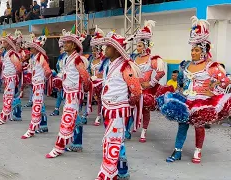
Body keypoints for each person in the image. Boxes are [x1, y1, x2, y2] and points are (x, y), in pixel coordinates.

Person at [157, 16, 231, 164]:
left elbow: (226, 82)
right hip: (186, 99)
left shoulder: (212, 66)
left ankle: (198, 152)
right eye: (192, 49)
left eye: (196, 50)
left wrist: (213, 88)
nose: (193, 53)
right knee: (182, 125)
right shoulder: (185, 65)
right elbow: (181, 83)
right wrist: (178, 91)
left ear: (203, 51)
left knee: (199, 126)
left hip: (202, 101)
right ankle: (177, 151)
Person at [91, 30, 142, 180]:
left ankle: (107, 173)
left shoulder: (126, 67)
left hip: (118, 111)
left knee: (112, 141)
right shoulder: (109, 64)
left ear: (117, 49)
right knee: (114, 141)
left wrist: (125, 105)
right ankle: (122, 171)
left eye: (108, 47)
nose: (104, 50)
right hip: (108, 109)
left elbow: (136, 91)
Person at [45, 30, 91, 158]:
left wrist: (83, 90)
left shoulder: (77, 60)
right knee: (74, 119)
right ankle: (77, 143)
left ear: (74, 45)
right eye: (64, 42)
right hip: (69, 93)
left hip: (74, 95)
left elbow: (85, 77)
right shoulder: (68, 59)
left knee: (67, 120)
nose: (64, 44)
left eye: (68, 42)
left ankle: (59, 147)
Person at [127, 20, 173, 143]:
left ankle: (144, 131)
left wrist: (151, 83)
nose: (137, 48)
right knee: (131, 108)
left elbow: (161, 72)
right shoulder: (134, 58)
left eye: (140, 45)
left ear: (146, 46)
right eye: (137, 45)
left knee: (145, 110)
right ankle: (128, 129)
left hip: (146, 90)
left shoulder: (152, 59)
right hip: (134, 88)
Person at [21, 34, 51, 138]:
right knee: (38, 104)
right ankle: (43, 125)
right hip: (36, 83)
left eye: (32, 47)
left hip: (39, 84)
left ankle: (32, 128)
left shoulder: (41, 57)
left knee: (37, 105)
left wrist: (42, 80)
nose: (30, 49)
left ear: (36, 48)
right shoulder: (35, 57)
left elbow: (48, 71)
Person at [0, 34, 22, 126]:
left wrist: (13, 77)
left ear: (10, 44)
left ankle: (4, 117)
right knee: (8, 96)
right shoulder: (7, 53)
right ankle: (12, 114)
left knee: (8, 96)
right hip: (7, 77)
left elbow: (18, 67)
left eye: (5, 42)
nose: (3, 43)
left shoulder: (12, 54)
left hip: (11, 77)